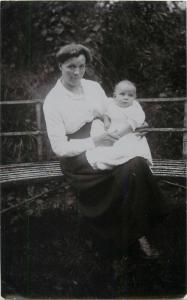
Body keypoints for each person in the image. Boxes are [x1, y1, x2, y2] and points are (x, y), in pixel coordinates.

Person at [43, 43, 167, 259]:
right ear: (60, 65)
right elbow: (60, 148)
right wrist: (94, 141)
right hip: (78, 158)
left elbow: (112, 113)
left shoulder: (93, 87)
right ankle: (131, 236)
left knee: (136, 164)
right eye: (71, 66)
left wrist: (136, 127)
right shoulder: (53, 101)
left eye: (81, 66)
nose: (76, 72)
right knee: (131, 169)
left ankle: (137, 233)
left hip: (107, 142)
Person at [86, 79, 152, 170]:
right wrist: (106, 121)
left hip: (129, 134)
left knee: (127, 149)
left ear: (135, 97)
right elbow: (106, 113)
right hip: (113, 131)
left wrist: (118, 135)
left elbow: (132, 124)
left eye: (130, 95)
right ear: (115, 96)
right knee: (107, 148)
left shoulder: (135, 107)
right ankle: (107, 162)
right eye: (122, 94)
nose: (126, 97)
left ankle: (117, 162)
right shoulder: (112, 104)